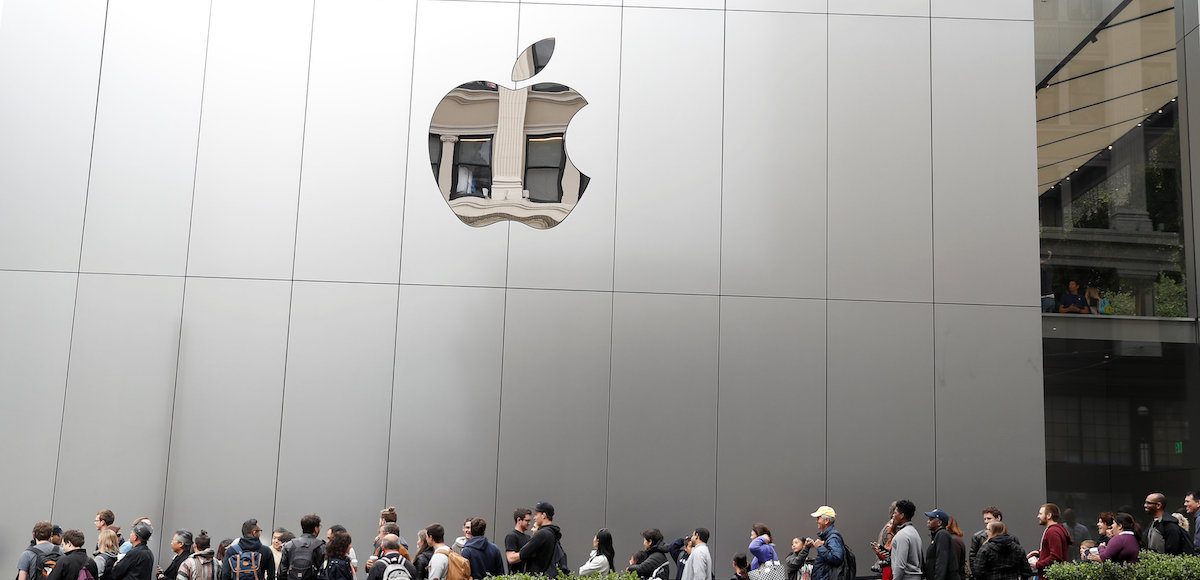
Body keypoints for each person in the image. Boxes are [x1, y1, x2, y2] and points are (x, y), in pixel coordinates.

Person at [513, 502, 562, 576]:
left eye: (536, 514)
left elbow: (523, 553)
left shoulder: (542, 534)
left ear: (544, 515)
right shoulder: (553, 533)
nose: (534, 518)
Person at [1027, 503, 1070, 577]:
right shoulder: (1057, 530)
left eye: (1040, 514)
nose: (1038, 516)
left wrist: (1037, 564)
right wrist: (1039, 552)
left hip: (1050, 576)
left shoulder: (1052, 532)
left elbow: (1056, 557)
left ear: (1049, 515)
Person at [280, 514, 324, 580]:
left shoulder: (289, 545)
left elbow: (282, 572)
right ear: (316, 529)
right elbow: (324, 573)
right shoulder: (321, 547)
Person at [805, 506, 844, 580]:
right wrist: (817, 545)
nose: (816, 521)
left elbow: (837, 558)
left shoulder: (833, 537)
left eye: (818, 518)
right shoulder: (828, 537)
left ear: (826, 521)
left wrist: (820, 547)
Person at [890, 500, 924, 580]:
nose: (893, 516)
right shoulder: (915, 532)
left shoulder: (902, 535)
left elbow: (900, 565)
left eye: (895, 513)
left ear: (902, 515)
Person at [922, 510, 960, 580]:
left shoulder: (942, 535)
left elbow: (941, 562)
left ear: (939, 522)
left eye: (931, 519)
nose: (928, 521)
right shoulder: (937, 535)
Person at [968, 507, 1004, 576]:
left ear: (998, 518)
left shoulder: (1010, 538)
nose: (986, 521)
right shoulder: (978, 537)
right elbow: (973, 558)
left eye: (989, 518)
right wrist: (976, 575)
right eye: (984, 519)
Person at [504, 510, 532, 574]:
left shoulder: (528, 537)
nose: (529, 523)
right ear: (519, 520)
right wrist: (527, 553)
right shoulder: (511, 536)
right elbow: (510, 558)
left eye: (529, 521)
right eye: (527, 520)